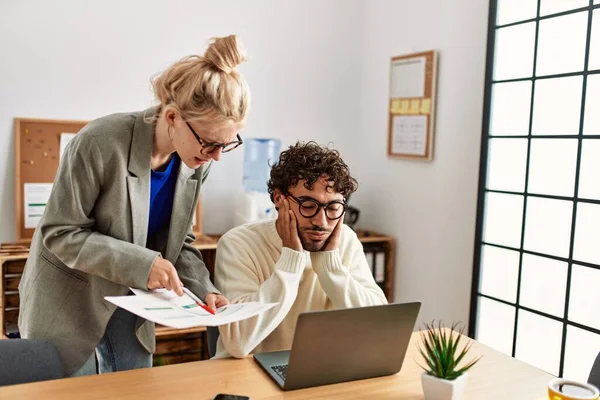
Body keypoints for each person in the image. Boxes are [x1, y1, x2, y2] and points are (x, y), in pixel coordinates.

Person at [18, 34, 250, 376]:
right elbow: (60, 233)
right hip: (70, 293)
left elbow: (178, 241)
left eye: (226, 145)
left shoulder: (196, 159)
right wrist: (144, 263)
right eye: (210, 143)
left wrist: (206, 291)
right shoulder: (98, 143)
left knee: (137, 386)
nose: (216, 155)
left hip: (132, 293)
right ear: (172, 117)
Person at [213, 142, 388, 358]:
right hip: (249, 375)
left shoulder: (347, 240)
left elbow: (378, 325)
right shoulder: (238, 244)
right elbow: (238, 342)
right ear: (279, 198)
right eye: (308, 205)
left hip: (319, 370)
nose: (321, 221)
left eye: (333, 207)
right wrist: (291, 260)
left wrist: (330, 267)